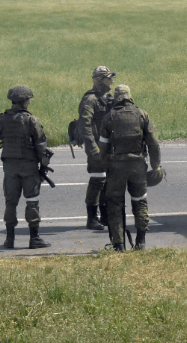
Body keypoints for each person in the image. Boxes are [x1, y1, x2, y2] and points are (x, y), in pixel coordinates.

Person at [99, 85, 161, 251]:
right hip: (138, 167)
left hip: (116, 168)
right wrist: (156, 166)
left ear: (117, 98)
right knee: (140, 202)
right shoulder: (142, 115)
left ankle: (118, 244)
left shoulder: (109, 117)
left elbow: (103, 148)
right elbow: (153, 144)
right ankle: (140, 242)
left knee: (114, 205)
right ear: (129, 97)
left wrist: (107, 167)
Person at [0, 85, 51, 249]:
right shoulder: (30, 120)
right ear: (25, 101)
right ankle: (34, 238)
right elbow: (41, 146)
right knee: (32, 201)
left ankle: (9, 239)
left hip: (10, 168)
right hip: (28, 167)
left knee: (10, 203)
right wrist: (44, 167)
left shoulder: (2, 118)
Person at [75, 66, 114, 231]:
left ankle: (104, 216)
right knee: (97, 181)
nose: (111, 81)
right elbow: (85, 126)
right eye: (108, 78)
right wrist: (93, 149)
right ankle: (92, 219)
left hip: (108, 147)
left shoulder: (106, 98)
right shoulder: (91, 100)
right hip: (97, 148)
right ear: (99, 80)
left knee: (107, 182)